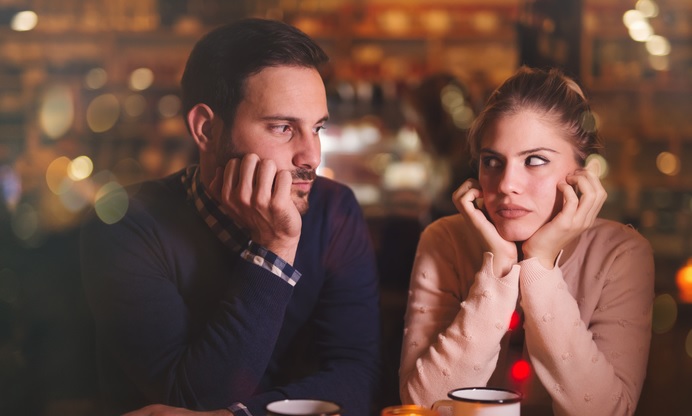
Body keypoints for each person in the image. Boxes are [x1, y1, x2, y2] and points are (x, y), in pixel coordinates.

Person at [80, 18, 380, 416]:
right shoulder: (125, 226)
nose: (311, 155)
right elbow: (187, 400)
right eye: (282, 127)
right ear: (206, 129)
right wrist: (275, 248)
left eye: (317, 128)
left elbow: (358, 377)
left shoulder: (335, 210)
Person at [399, 66, 654, 416]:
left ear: (582, 173)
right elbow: (421, 405)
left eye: (534, 160)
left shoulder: (620, 254)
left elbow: (608, 412)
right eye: (492, 162)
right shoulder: (443, 240)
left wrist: (540, 266)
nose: (506, 184)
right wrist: (498, 269)